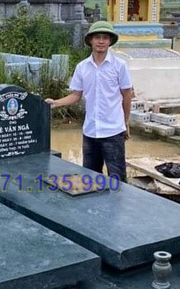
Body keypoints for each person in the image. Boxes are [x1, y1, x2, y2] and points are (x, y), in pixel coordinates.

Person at [45, 20, 133, 182]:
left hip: (113, 131)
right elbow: (76, 95)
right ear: (91, 40)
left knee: (118, 180)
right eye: (97, 37)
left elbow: (127, 95)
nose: (101, 41)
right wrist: (56, 103)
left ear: (110, 41)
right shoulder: (82, 67)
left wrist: (125, 122)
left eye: (105, 38)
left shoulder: (119, 66)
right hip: (90, 131)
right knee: (90, 179)